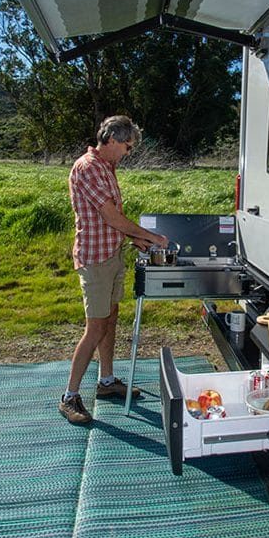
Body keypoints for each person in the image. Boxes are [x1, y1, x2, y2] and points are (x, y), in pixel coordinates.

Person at [59, 115, 169, 425]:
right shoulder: (89, 168)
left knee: (110, 319)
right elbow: (111, 217)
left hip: (111, 253)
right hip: (95, 259)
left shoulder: (107, 167)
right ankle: (69, 396)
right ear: (110, 141)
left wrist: (135, 238)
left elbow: (112, 222)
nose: (128, 153)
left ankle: (106, 382)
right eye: (127, 146)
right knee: (95, 327)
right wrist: (151, 236)